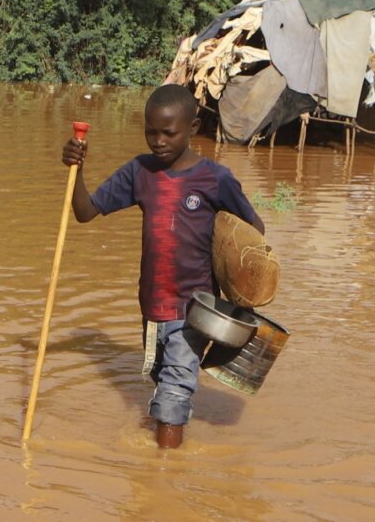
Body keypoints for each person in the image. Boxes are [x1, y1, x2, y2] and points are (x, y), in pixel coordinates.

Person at [61, 84, 266, 447]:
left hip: (195, 310)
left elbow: (253, 235)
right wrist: (78, 169)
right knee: (163, 381)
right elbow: (85, 212)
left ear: (193, 127)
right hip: (152, 305)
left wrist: (240, 294)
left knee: (172, 394)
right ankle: (168, 446)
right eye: (150, 132)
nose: (158, 141)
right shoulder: (140, 173)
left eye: (168, 132)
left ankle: (163, 477)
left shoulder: (214, 179)